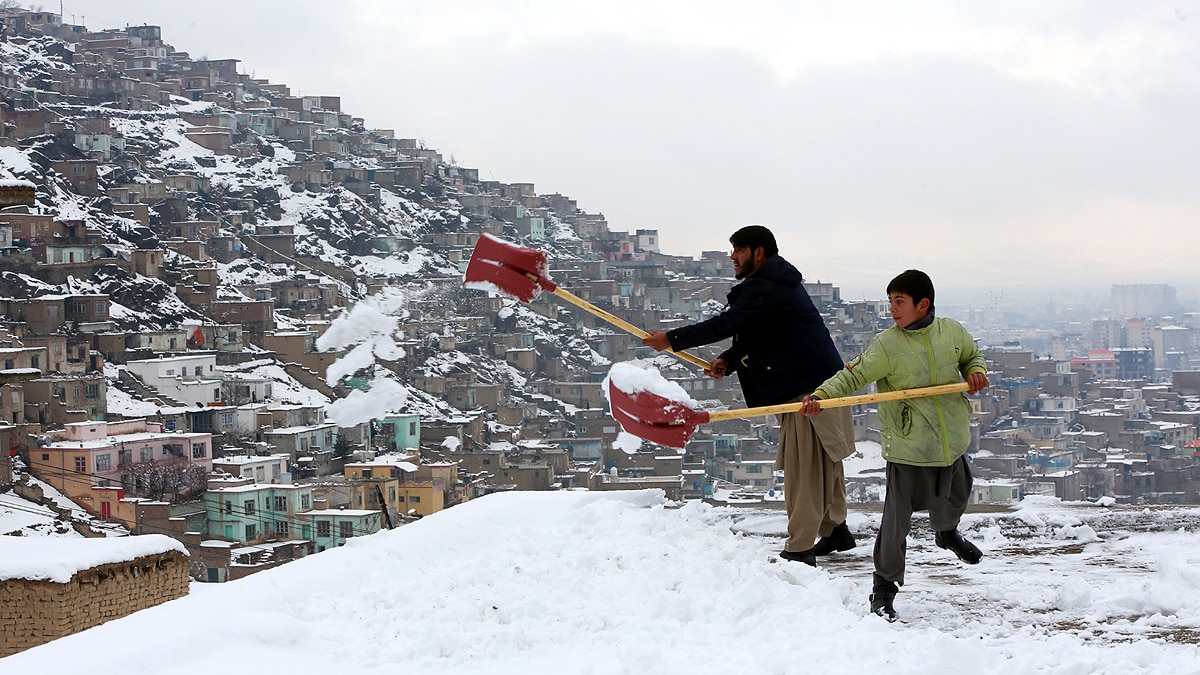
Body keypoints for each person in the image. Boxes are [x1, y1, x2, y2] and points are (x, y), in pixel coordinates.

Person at [643, 225, 856, 566]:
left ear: (758, 253)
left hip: (809, 392)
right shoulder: (776, 284)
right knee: (824, 463)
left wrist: (671, 338)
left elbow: (727, 324)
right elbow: (761, 334)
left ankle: (800, 548)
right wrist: (729, 361)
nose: (732, 257)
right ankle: (835, 530)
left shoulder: (767, 286)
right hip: (819, 385)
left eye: (739, 250)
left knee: (805, 469)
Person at [799, 269, 989, 621]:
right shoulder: (887, 345)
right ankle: (884, 589)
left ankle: (947, 534)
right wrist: (822, 396)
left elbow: (971, 356)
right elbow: (852, 375)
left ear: (923, 304)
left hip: (950, 442)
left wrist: (975, 371)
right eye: (890, 302)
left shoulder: (952, 332)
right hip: (908, 447)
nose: (892, 309)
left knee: (959, 493)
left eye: (899, 301)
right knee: (895, 525)